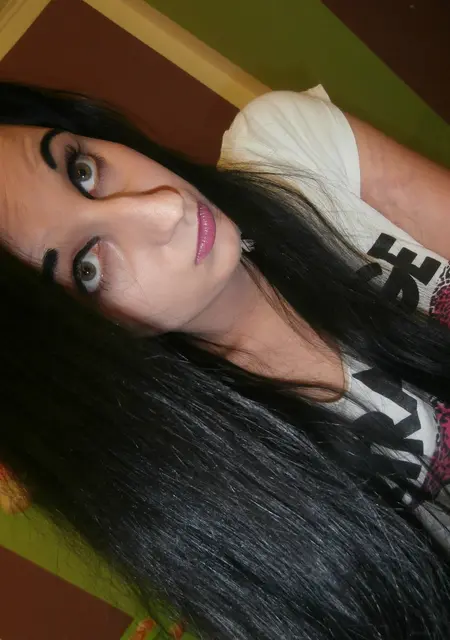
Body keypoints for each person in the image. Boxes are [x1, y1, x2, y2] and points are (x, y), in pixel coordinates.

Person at [1, 80, 450, 639]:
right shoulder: (241, 502)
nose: (163, 208)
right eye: (87, 267)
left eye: (82, 170)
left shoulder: (290, 150)